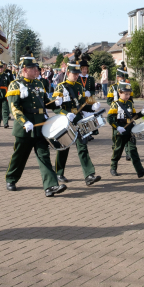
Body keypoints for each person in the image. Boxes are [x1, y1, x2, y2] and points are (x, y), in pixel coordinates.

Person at [5, 48, 66, 197]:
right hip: (25, 128)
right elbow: (14, 108)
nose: (36, 70)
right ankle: (11, 178)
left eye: (36, 68)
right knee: (20, 156)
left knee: (44, 156)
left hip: (40, 127)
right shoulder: (15, 85)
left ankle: (50, 186)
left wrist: (56, 103)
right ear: (24, 69)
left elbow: (45, 103)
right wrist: (24, 122)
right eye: (33, 68)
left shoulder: (39, 84)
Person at [51, 49, 103, 186]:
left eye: (77, 73)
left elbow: (82, 104)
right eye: (74, 73)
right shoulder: (61, 87)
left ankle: (89, 175)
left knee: (82, 146)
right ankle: (59, 172)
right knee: (64, 148)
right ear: (68, 73)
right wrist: (64, 113)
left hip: (78, 119)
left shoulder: (79, 87)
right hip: (65, 121)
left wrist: (92, 107)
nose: (76, 76)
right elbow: (55, 107)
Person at [107, 81, 144, 178]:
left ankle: (140, 170)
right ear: (120, 93)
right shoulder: (115, 104)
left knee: (133, 150)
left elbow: (134, 117)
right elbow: (109, 119)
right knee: (118, 150)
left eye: (129, 94)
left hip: (130, 131)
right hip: (120, 132)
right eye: (125, 94)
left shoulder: (130, 103)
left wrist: (142, 113)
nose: (127, 96)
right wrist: (117, 127)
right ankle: (113, 167)